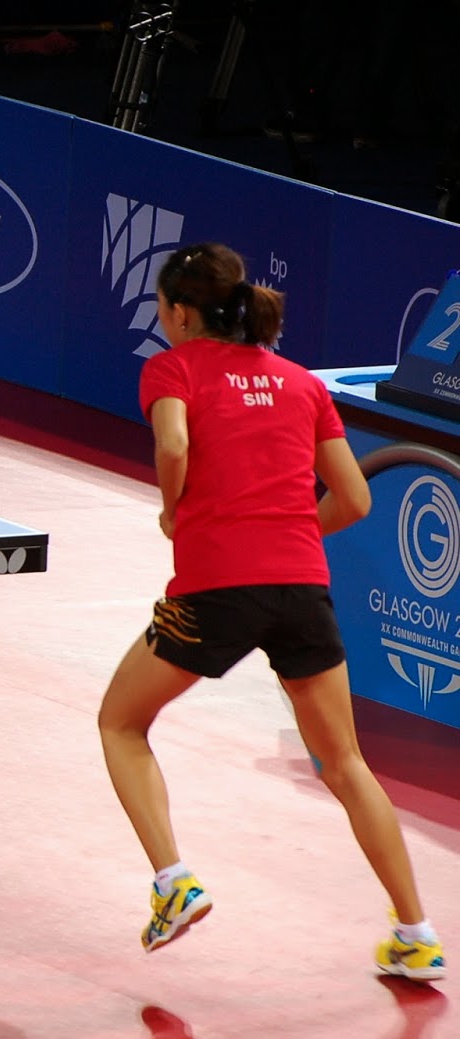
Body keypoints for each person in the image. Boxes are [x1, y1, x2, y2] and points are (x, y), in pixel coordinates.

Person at [97, 242, 445, 981]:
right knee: (345, 762)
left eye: (163, 307)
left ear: (181, 312)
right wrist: (284, 528)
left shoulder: (172, 369)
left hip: (216, 587)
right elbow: (355, 498)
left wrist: (174, 510)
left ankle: (173, 882)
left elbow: (173, 442)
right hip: (300, 588)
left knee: (120, 722)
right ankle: (416, 932)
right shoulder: (301, 384)